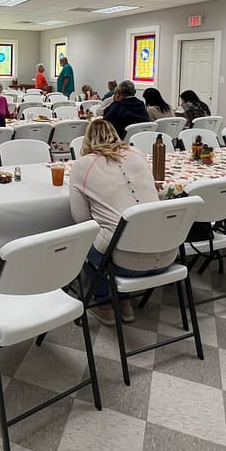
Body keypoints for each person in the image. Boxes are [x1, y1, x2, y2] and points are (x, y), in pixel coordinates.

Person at [70, 119, 175, 326]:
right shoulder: (137, 153)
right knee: (116, 240)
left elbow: (81, 219)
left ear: (87, 141)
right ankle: (123, 301)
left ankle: (105, 305)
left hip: (127, 264)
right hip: (168, 256)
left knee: (84, 246)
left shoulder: (83, 165)